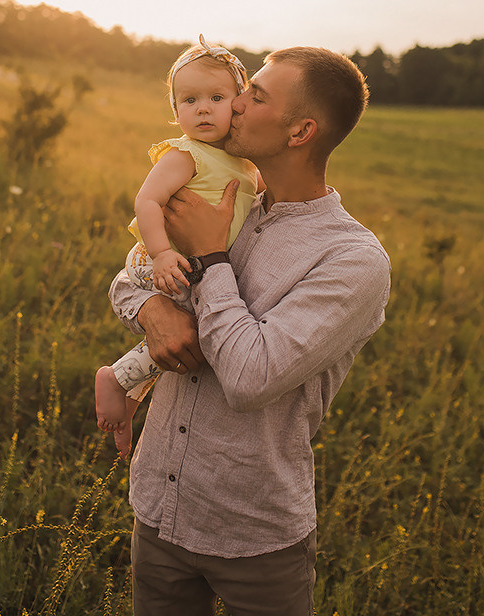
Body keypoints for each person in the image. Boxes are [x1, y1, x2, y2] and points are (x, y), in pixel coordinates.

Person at [108, 45, 392, 616]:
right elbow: (129, 278)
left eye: (255, 96)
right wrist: (153, 311)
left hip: (253, 532)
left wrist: (212, 256)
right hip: (160, 506)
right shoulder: (224, 196)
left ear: (300, 131)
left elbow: (249, 378)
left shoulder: (351, 259)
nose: (234, 104)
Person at [95, 35, 259, 456]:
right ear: (175, 111)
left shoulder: (245, 164)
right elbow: (147, 200)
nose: (202, 108)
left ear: (239, 103)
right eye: (189, 100)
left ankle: (126, 390)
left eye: (216, 97)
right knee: (199, 327)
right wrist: (163, 253)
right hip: (159, 259)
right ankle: (117, 380)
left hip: (189, 263)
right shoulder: (186, 155)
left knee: (191, 334)